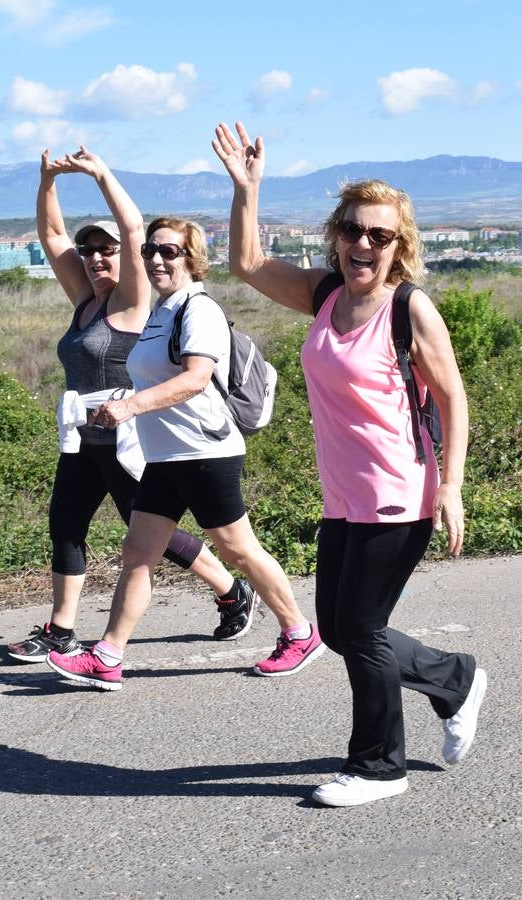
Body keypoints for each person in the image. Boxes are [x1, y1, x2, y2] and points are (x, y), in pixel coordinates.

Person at [212, 121, 488, 807]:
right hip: (345, 496)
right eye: (354, 231)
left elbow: (452, 396)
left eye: (380, 235)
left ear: (401, 246)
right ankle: (453, 679)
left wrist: (451, 486)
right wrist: (246, 189)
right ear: (337, 234)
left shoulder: (409, 307)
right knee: (338, 629)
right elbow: (246, 264)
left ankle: (377, 767)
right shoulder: (326, 294)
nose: (364, 244)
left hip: (401, 491)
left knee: (359, 631)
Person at [5, 147, 260, 665]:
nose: (96, 257)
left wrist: (100, 174)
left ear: (131, 254)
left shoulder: (132, 298)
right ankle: (61, 630)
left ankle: (232, 589)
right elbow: (53, 237)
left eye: (108, 249)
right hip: (82, 433)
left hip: (130, 436)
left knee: (148, 534)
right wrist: (46, 180)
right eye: (89, 250)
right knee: (66, 523)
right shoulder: (85, 300)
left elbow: (133, 223)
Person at [47, 215, 324, 691]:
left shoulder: (199, 310)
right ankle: (108, 656)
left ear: (192, 259)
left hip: (204, 453)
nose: (156, 258)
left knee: (238, 550)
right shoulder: (161, 312)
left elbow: (196, 378)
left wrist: (128, 406)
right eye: (150, 250)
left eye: (169, 251)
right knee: (138, 553)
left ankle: (300, 632)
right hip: (163, 456)